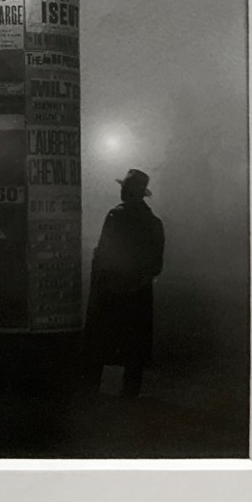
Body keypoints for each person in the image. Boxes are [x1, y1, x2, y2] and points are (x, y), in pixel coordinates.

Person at [82, 169, 165, 397]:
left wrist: (101, 282)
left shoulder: (115, 217)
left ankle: (92, 389)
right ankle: (130, 391)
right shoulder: (154, 223)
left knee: (100, 339)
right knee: (135, 344)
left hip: (111, 289)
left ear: (126, 191)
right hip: (138, 291)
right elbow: (156, 264)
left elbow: (104, 254)